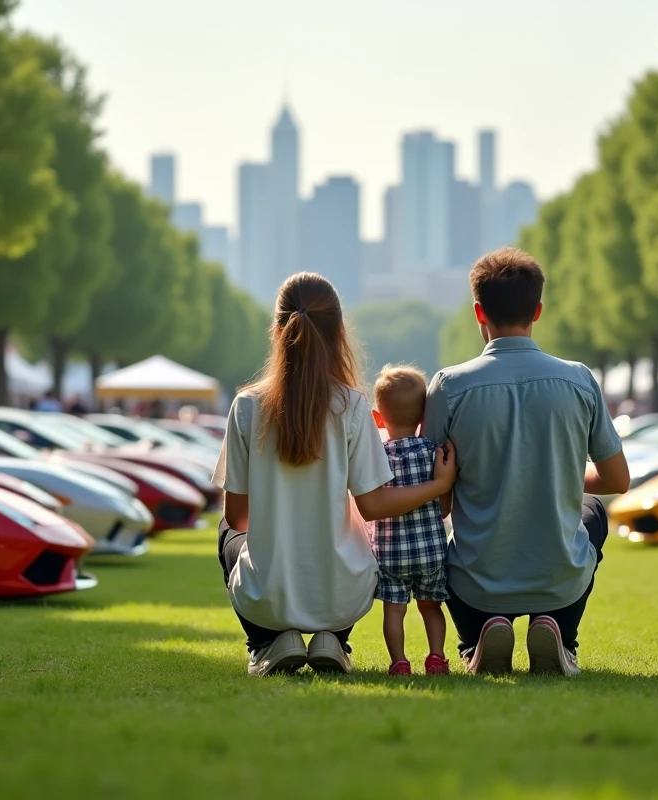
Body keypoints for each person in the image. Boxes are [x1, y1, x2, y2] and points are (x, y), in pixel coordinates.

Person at [212, 272, 456, 676]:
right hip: (343, 593)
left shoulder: (246, 406)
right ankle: (333, 639)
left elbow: (239, 517)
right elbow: (374, 505)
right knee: (355, 529)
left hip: (268, 593)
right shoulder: (353, 405)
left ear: (277, 328)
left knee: (225, 530)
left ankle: (268, 642)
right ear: (339, 332)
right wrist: (439, 485)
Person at [423, 247, 630, 677]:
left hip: (476, 582)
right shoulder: (578, 379)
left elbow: (437, 503)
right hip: (558, 577)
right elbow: (618, 479)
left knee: (449, 539)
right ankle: (557, 631)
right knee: (592, 511)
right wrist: (561, 476)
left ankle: (476, 640)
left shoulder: (448, 385)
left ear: (479, 313)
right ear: (538, 309)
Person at [365, 365, 453, 677]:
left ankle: (399, 662)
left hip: (391, 555)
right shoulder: (434, 454)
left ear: (378, 418)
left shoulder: (376, 457)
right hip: (430, 551)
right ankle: (437, 658)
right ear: (423, 416)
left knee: (394, 610)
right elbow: (443, 509)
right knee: (431, 607)